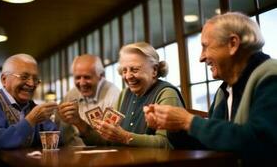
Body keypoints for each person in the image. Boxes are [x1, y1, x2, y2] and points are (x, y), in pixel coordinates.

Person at [144, 12, 277, 162]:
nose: (201, 58)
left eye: (205, 47)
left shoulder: (271, 76)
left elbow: (260, 142)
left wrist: (187, 121)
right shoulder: (224, 90)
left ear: (233, 44)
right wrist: (176, 128)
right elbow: (208, 144)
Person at [58, 42, 184, 148]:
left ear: (154, 70)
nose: (128, 76)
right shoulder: (124, 94)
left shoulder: (166, 94)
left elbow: (167, 144)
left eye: (134, 69)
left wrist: (124, 137)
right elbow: (107, 141)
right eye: (124, 70)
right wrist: (79, 122)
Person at [0, 54, 58, 163]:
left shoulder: (32, 106)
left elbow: (55, 140)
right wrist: (30, 121)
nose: (31, 84)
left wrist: (63, 119)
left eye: (35, 79)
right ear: (4, 79)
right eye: (24, 77)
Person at [57, 54, 120, 145]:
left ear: (101, 76)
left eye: (87, 77)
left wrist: (79, 122)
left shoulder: (114, 95)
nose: (82, 83)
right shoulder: (71, 95)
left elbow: (109, 141)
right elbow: (58, 131)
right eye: (77, 78)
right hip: (72, 153)